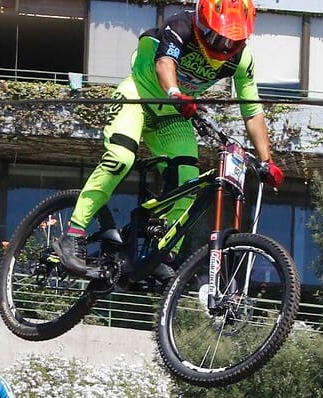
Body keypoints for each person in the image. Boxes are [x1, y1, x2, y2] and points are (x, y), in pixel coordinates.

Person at [55, 0, 284, 277]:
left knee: (189, 182)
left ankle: (164, 254)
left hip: (174, 116)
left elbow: (252, 110)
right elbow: (165, 63)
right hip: (139, 97)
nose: (223, 45)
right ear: (202, 23)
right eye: (216, 36)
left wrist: (266, 160)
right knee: (120, 158)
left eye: (231, 40)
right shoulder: (180, 25)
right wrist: (176, 93)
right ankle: (74, 234)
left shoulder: (241, 60)